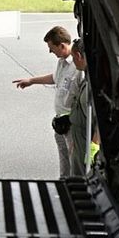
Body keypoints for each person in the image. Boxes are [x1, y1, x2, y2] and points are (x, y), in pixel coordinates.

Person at [12, 26, 77, 178]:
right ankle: (63, 181)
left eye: (51, 48)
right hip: (60, 119)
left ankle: (75, 184)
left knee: (74, 158)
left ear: (62, 45)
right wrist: (31, 81)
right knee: (63, 156)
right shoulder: (62, 62)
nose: (50, 51)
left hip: (72, 122)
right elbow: (55, 78)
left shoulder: (78, 66)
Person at [69, 38, 100, 176]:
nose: (73, 62)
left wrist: (93, 148)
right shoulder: (87, 79)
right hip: (79, 143)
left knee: (85, 180)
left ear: (79, 56)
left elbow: (99, 120)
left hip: (87, 146)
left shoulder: (93, 86)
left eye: (73, 58)